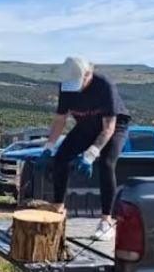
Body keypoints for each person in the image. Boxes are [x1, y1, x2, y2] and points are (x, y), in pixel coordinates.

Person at [35, 56, 130, 240]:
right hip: (85, 125)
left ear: (88, 74)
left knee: (106, 164)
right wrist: (48, 148)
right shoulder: (66, 86)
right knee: (61, 157)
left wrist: (91, 153)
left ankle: (106, 221)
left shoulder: (104, 86)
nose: (75, 88)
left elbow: (108, 127)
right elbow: (60, 120)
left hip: (114, 127)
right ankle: (58, 208)